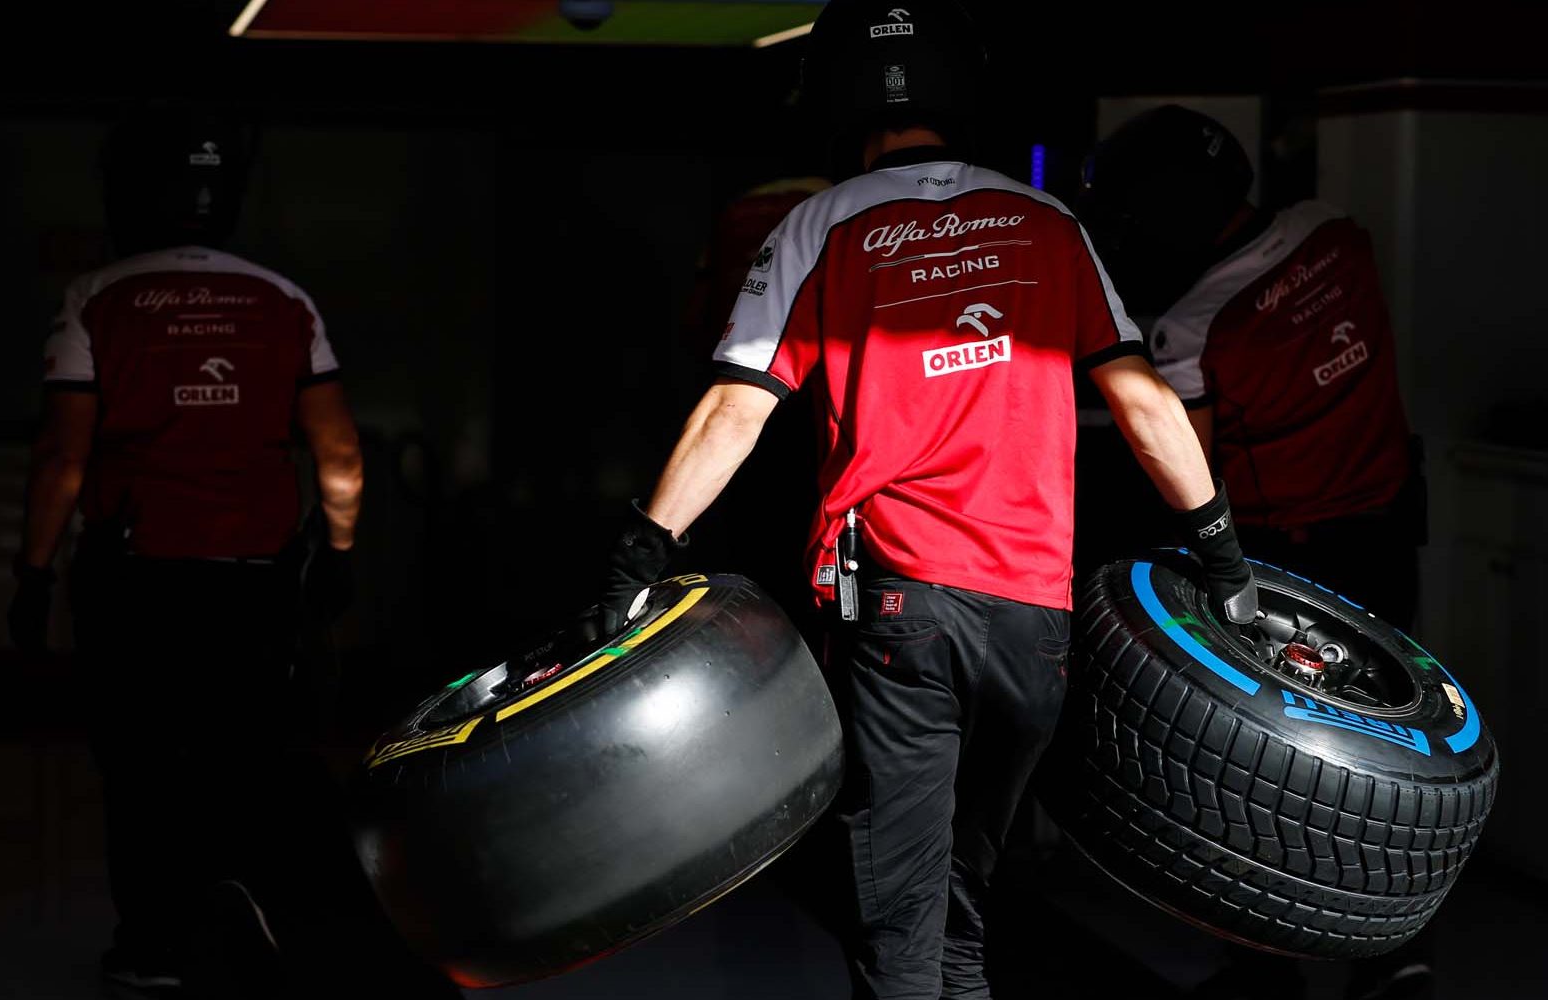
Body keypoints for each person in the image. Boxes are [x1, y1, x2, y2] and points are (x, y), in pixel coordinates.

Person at [585, 5, 1259, 997]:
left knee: (897, 930)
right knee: (959, 919)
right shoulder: (1046, 222)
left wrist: (640, 551)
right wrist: (1225, 558)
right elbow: (1146, 402)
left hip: (900, 616)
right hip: (1036, 621)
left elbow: (736, 408)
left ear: (841, 106)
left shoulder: (817, 224)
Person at [5, 107, 436, 999]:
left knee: (141, 762)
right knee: (249, 757)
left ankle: (154, 948)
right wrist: (341, 551)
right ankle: (251, 936)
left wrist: (32, 571)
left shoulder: (95, 298)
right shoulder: (284, 299)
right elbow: (342, 456)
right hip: (257, 575)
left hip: (135, 576)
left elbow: (63, 459)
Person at [1082, 104, 1428, 1000]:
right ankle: (1396, 953)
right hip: (1388, 532)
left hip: (1284, 573)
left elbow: (1185, 467)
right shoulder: (1334, 233)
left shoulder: (1193, 327)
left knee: (1276, 771)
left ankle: (1266, 965)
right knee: (1401, 760)